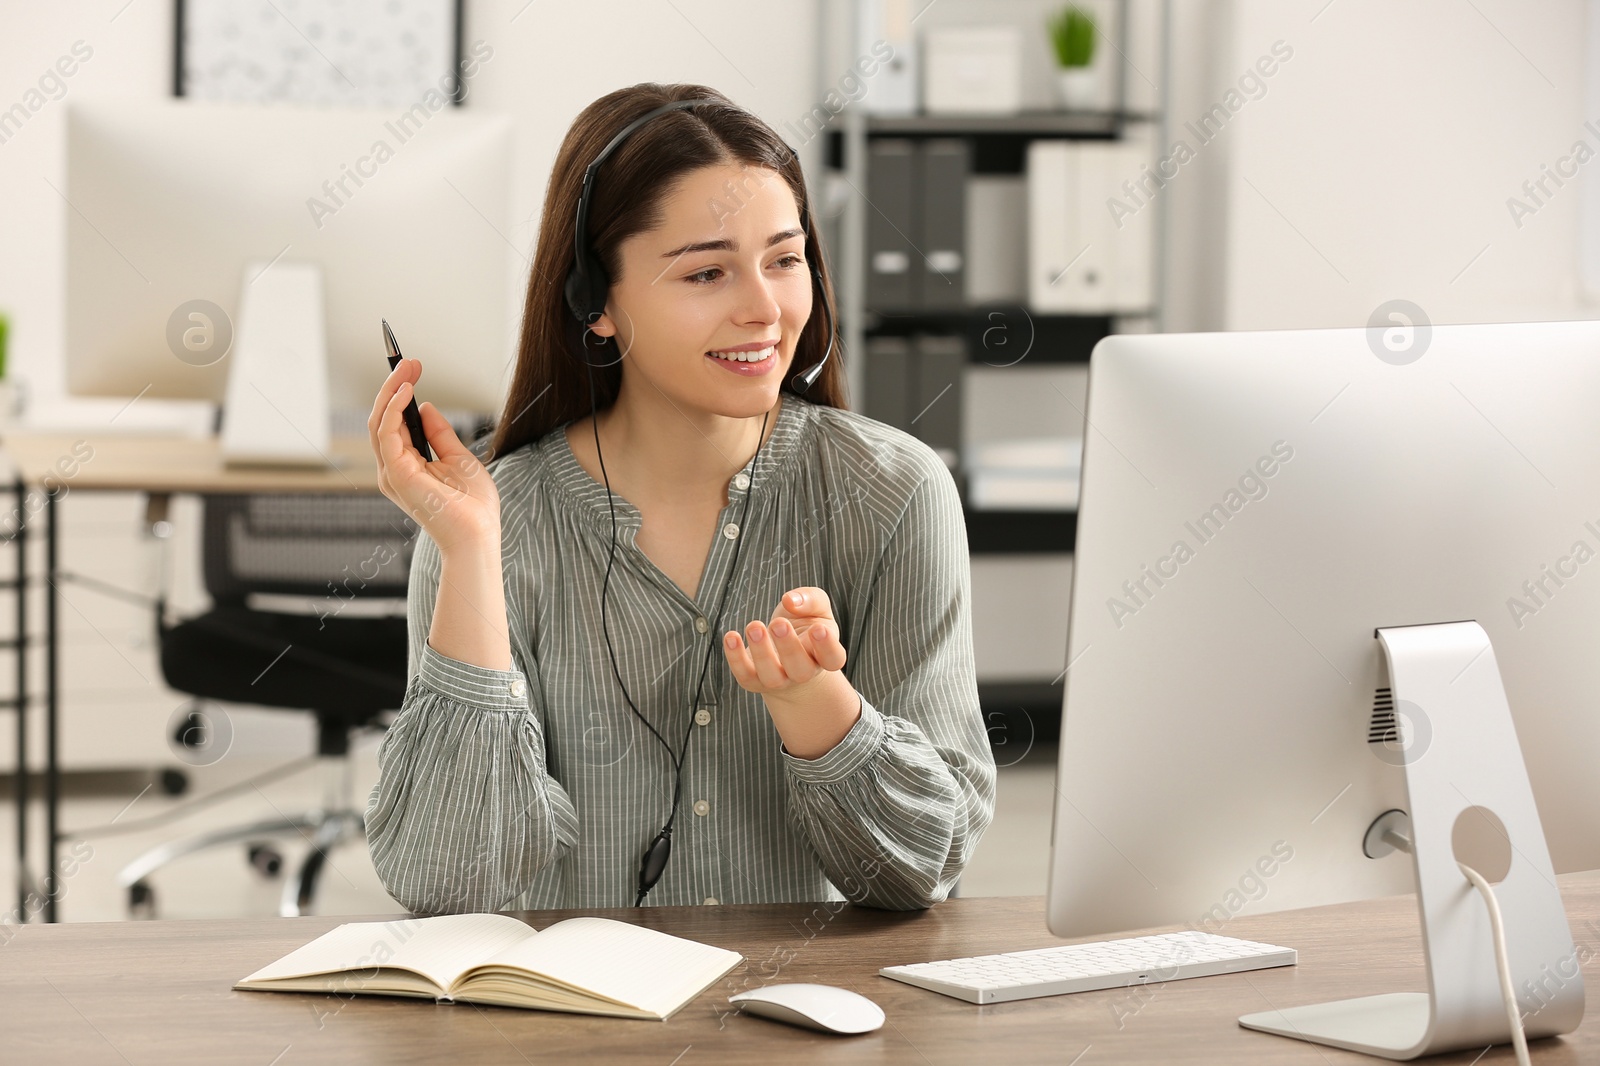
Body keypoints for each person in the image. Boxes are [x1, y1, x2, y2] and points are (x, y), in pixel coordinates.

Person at [364, 82, 995, 913]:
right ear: (597, 305)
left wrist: (819, 710)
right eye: (707, 271)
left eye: (784, 258)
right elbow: (452, 888)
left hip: (804, 1025)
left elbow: (921, 873)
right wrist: (475, 555)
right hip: (575, 1033)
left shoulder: (894, 494)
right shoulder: (492, 521)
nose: (765, 309)